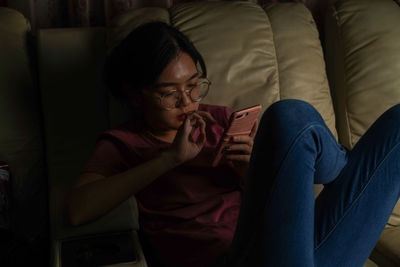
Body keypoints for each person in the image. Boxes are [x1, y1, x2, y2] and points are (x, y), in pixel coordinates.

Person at [66, 21, 400, 267]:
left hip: (297, 248)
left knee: (387, 123)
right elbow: (78, 210)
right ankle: (343, 165)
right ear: (135, 94)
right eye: (170, 93)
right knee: (288, 116)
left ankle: (340, 166)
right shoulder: (124, 143)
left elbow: (268, 208)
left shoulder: (222, 121)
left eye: (194, 85)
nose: (188, 102)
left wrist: (252, 172)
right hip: (231, 260)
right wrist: (169, 159)